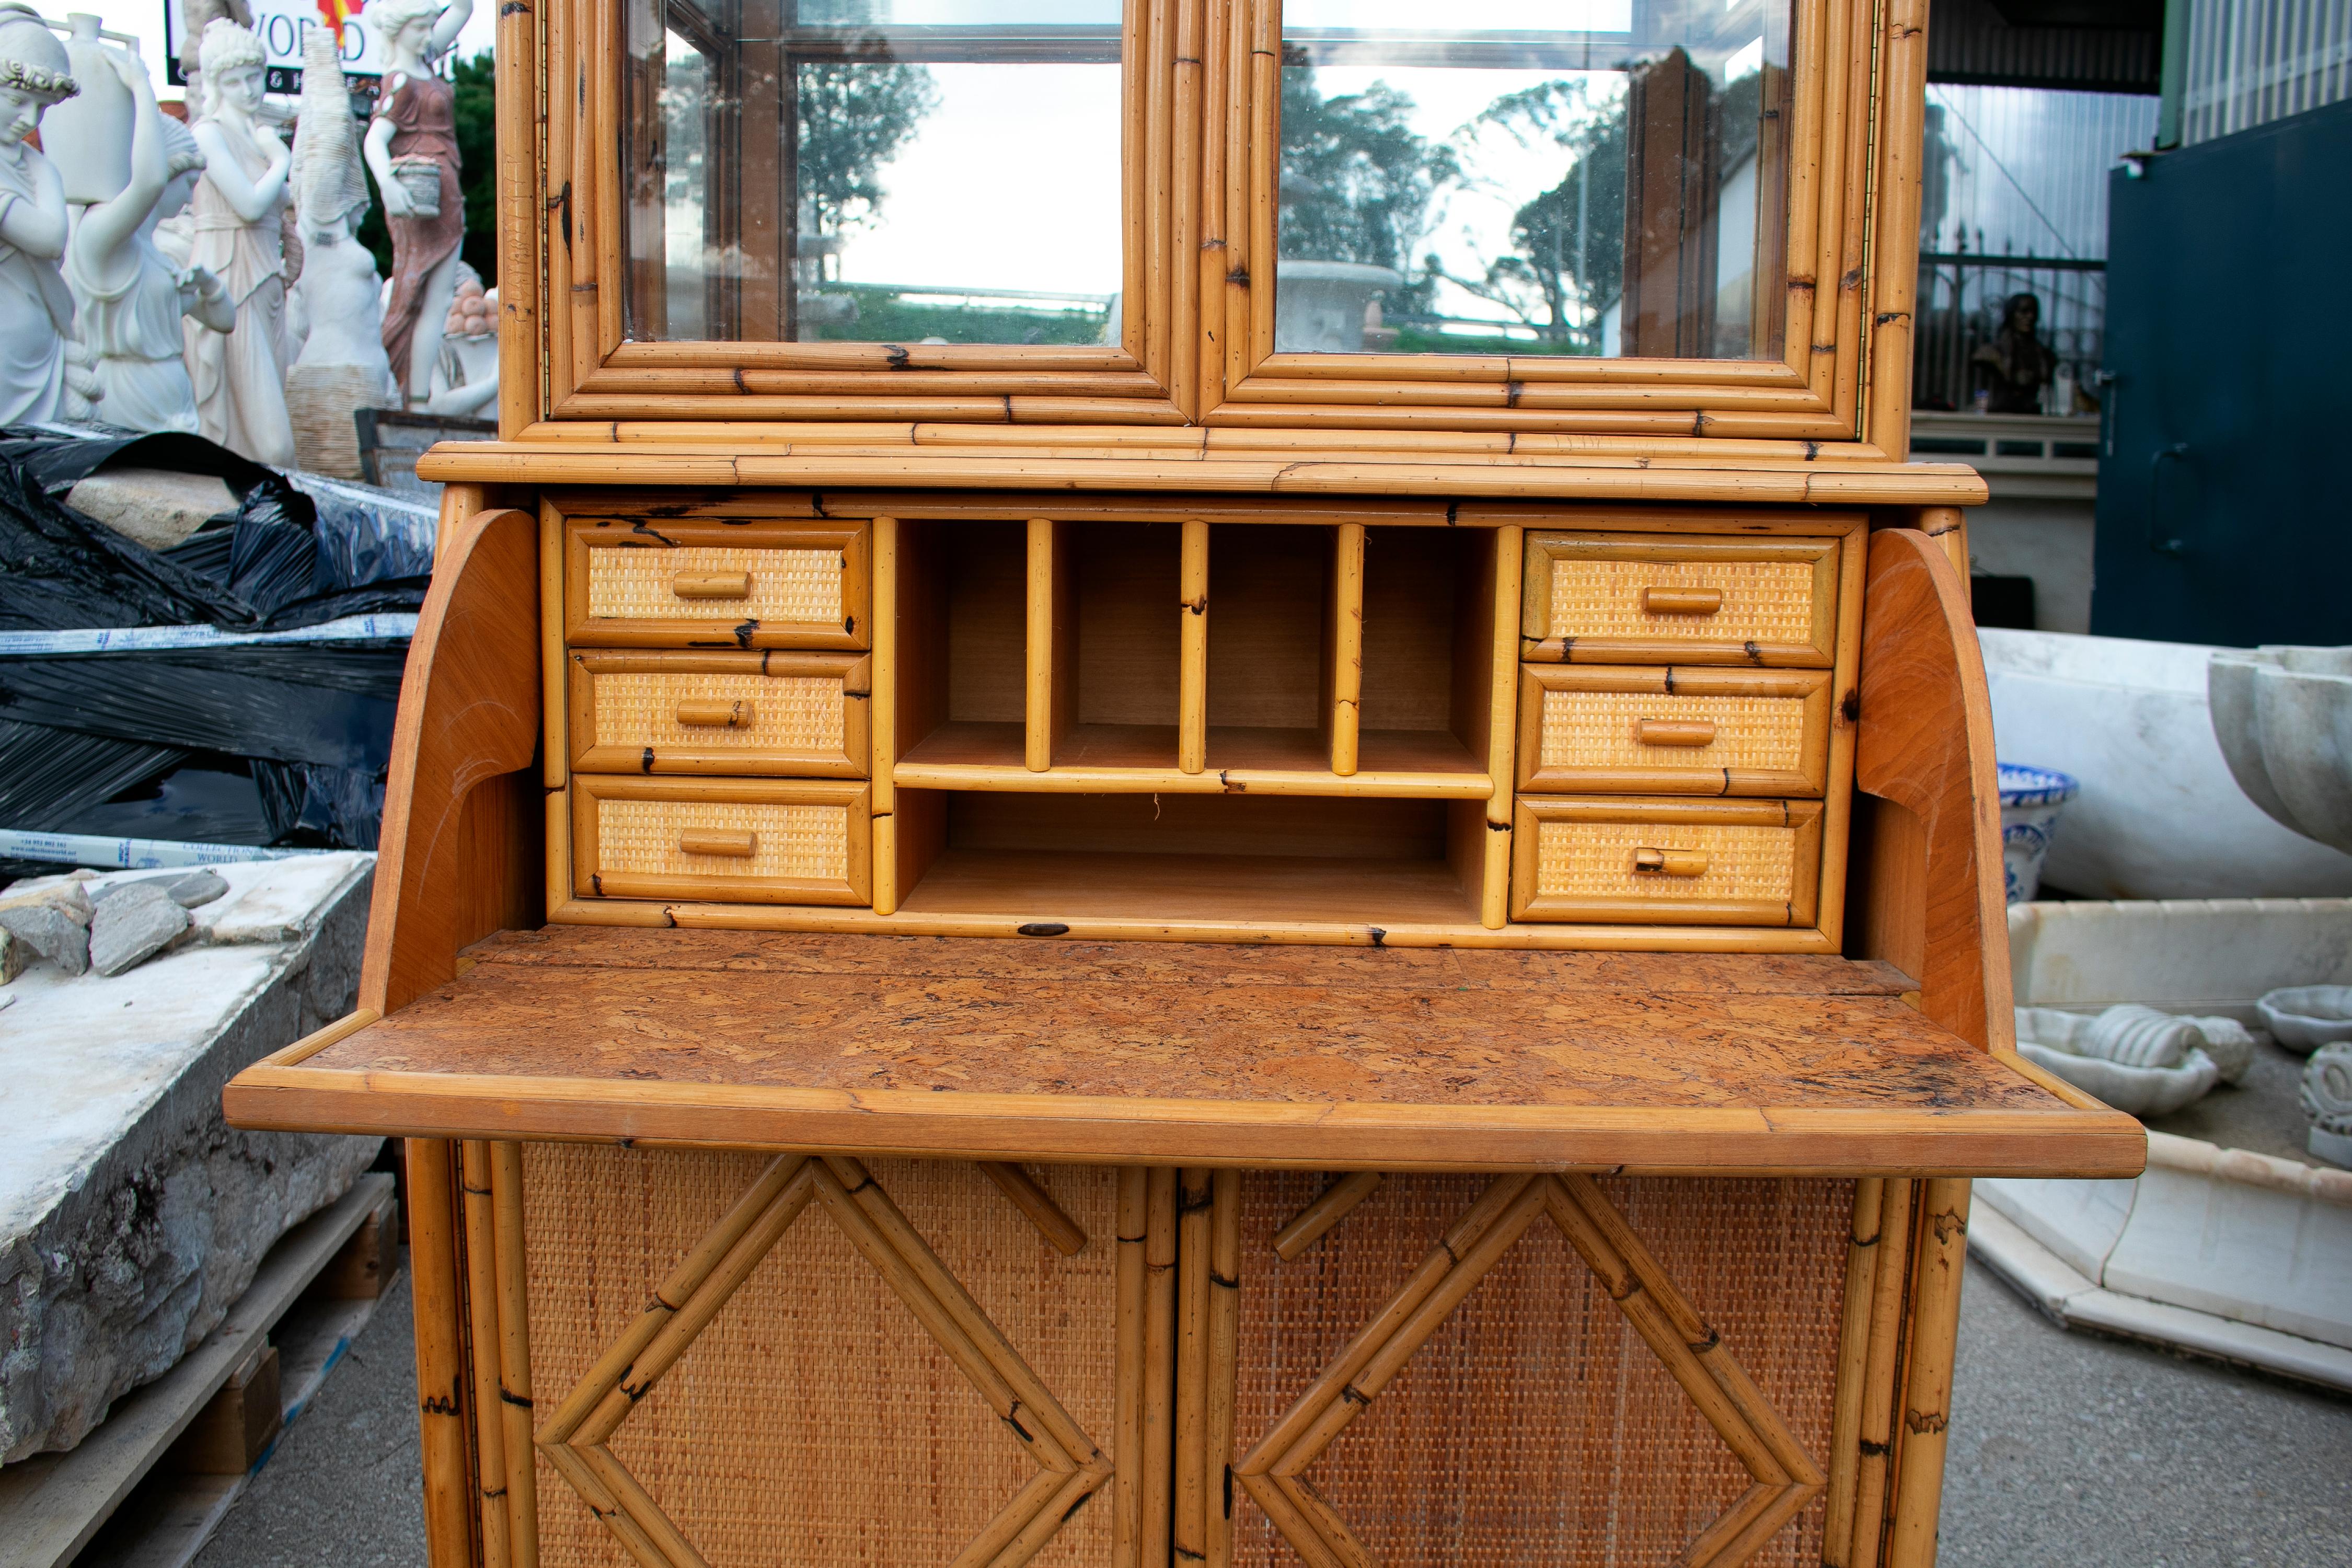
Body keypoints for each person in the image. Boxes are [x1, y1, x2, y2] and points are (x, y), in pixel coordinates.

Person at [66, 53, 235, 433]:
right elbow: (149, 183)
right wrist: (142, 88)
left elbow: (225, 321)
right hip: (125, 393)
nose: (190, 200)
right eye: (189, 185)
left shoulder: (157, 256)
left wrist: (211, 287)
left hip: (175, 395)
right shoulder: (101, 236)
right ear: (167, 169)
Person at [187, 18, 295, 464]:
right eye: (233, 82)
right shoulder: (209, 133)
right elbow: (250, 206)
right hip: (233, 284)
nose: (249, 89)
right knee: (275, 444)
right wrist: (281, 157)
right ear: (216, 84)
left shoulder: (256, 135)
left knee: (266, 435)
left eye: (253, 76)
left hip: (268, 280)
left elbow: (284, 204)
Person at [363, 0, 473, 405]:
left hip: (446, 189)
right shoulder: (401, 80)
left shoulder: (425, 59)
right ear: (398, 30)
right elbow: (374, 139)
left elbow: (463, 9)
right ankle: (408, 389)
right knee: (414, 290)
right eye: (420, 27)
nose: (429, 35)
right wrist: (389, 186)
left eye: (430, 26)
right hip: (418, 195)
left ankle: (421, 397)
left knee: (440, 299)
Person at [0, 9, 79, 424]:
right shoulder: (37, 170)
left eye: (42, 108)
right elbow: (48, 236)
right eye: (16, 100)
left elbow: (52, 242)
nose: (29, 120)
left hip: (36, 343)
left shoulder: (35, 166)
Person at [1973, 291, 2059, 416]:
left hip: (2032, 420)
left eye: (2034, 312)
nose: (2030, 317)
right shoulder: (1990, 352)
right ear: (2012, 314)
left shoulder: (2046, 356)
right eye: (2024, 311)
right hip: (2000, 418)